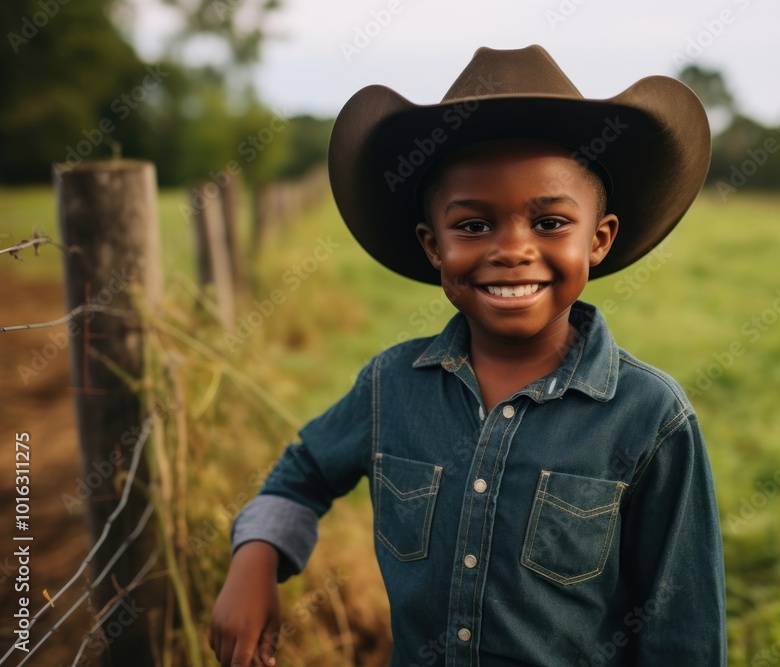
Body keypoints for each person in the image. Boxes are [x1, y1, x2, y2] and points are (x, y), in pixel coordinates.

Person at [211, 44, 726, 666]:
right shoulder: (391, 386)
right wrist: (256, 558)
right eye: (474, 226)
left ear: (600, 239)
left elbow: (684, 629)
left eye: (550, 223)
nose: (512, 250)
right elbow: (304, 473)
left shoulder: (650, 418)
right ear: (433, 246)